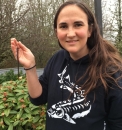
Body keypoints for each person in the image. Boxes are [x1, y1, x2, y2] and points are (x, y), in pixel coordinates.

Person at [11, 0, 122, 130]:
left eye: (78, 25)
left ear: (90, 30)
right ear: (56, 32)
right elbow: (38, 98)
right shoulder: (56, 59)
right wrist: (30, 66)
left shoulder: (111, 71)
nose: (70, 34)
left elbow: (117, 124)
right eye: (63, 26)